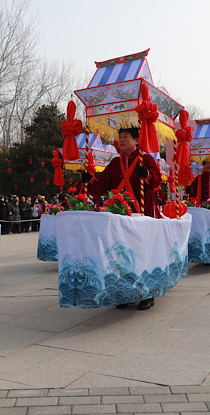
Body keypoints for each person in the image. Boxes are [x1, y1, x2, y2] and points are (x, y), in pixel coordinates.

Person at [81, 127, 161, 310]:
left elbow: (156, 182)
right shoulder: (115, 162)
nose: (121, 139)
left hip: (142, 214)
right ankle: (126, 293)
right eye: (120, 137)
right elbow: (101, 186)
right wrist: (90, 180)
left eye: (126, 137)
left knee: (143, 252)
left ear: (136, 140)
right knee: (123, 254)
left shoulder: (145, 159)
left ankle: (147, 293)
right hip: (120, 217)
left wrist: (146, 174)